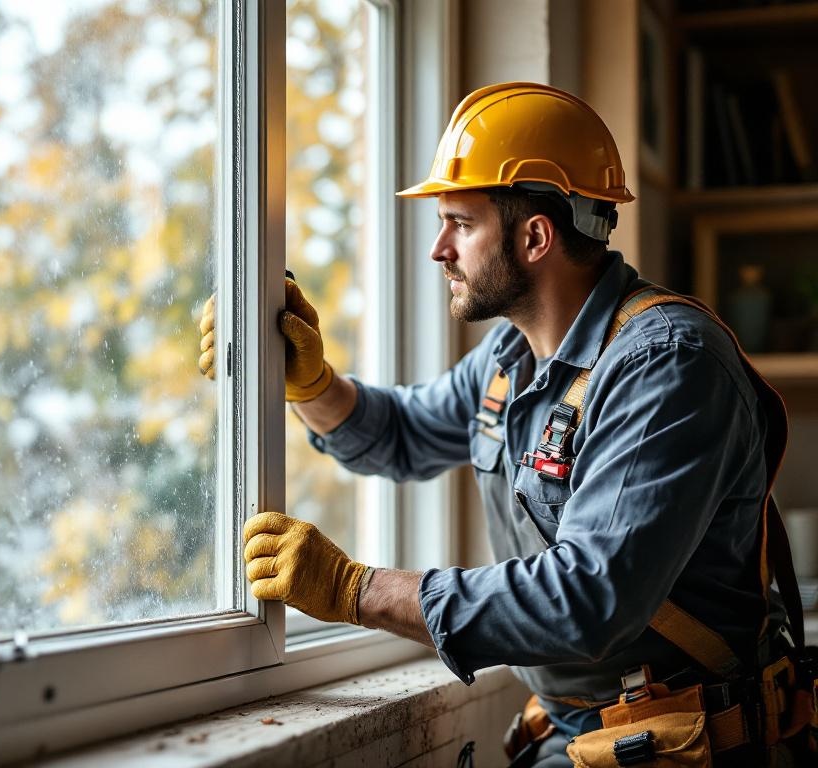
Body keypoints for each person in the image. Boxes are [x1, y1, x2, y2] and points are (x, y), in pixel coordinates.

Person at [200, 82, 805, 766]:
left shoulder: (665, 363)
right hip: (590, 735)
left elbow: (587, 600)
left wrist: (356, 590)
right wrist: (311, 383)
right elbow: (402, 435)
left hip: (695, 744)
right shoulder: (512, 355)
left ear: (536, 236)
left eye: (459, 222)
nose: (439, 250)